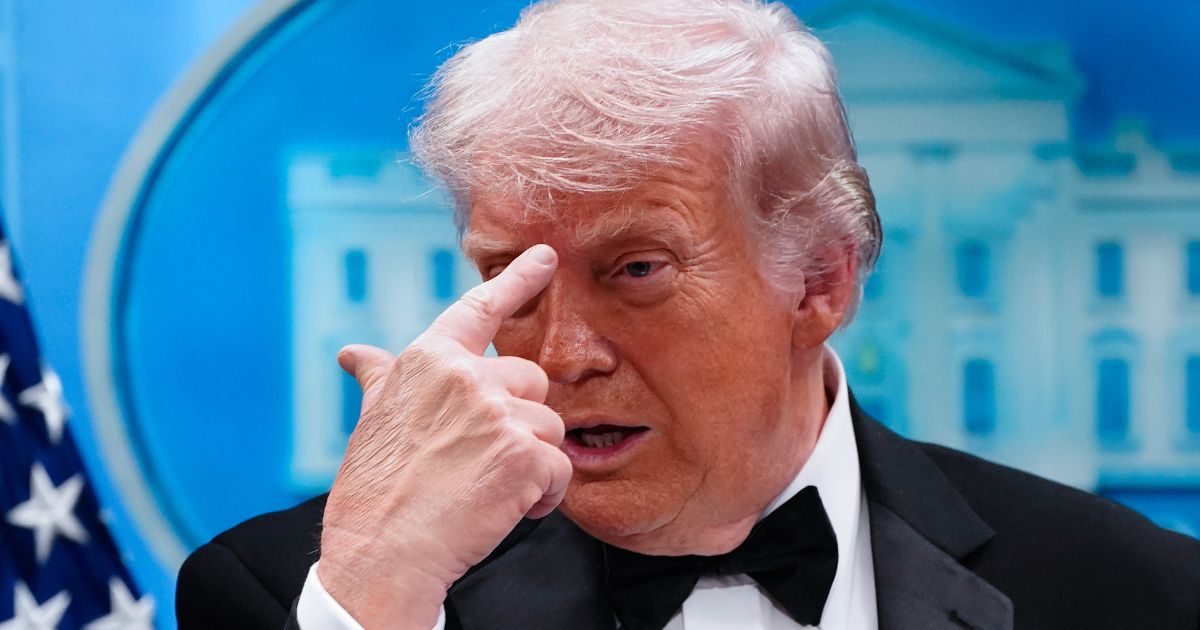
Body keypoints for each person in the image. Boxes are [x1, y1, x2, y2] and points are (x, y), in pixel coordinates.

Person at [175, 0, 1200, 628]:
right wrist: (378, 597)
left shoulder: (1131, 592)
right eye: (516, 279)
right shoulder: (300, 597)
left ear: (819, 284)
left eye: (635, 270)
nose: (562, 356)